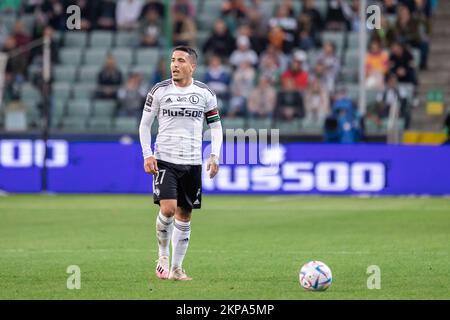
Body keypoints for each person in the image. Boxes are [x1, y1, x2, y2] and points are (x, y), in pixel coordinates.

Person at [139, 46, 223, 281]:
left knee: (185, 216)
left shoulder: (205, 93)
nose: (174, 65)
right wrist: (147, 154)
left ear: (192, 66)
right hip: (165, 159)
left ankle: (177, 269)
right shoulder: (159, 90)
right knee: (167, 208)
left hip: (192, 162)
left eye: (180, 61)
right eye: (172, 60)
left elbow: (216, 127)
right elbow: (145, 125)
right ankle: (162, 256)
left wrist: (214, 155)